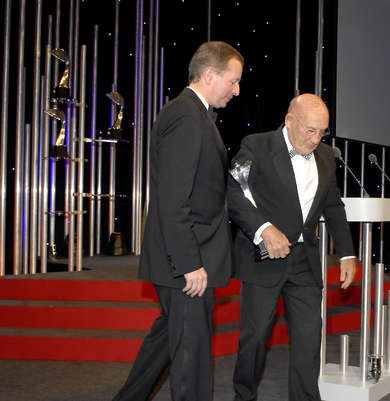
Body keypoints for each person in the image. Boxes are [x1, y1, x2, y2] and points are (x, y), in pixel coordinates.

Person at [112, 41, 243, 401]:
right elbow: (173, 199)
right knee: (191, 360)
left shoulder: (196, 115)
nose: (236, 90)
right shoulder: (186, 115)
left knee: (170, 338)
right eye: (233, 81)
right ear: (210, 74)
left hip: (188, 255)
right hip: (186, 261)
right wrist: (189, 263)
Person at [228, 94, 357, 401]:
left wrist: (347, 254)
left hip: (304, 262)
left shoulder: (326, 157)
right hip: (264, 258)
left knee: (309, 340)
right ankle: (243, 396)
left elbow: (333, 207)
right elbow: (234, 194)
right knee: (255, 338)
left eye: (322, 132)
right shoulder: (256, 145)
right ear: (289, 121)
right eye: (310, 130)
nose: (316, 139)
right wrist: (264, 228)